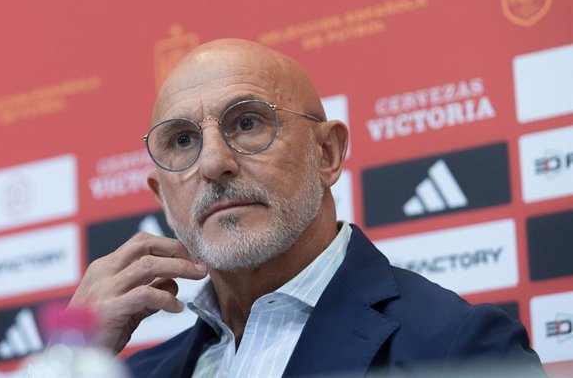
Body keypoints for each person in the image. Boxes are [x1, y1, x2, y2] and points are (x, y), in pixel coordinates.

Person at [70, 39, 545, 377]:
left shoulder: (456, 348)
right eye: (182, 140)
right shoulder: (137, 371)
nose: (214, 162)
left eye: (248, 122)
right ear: (162, 195)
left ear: (327, 154)